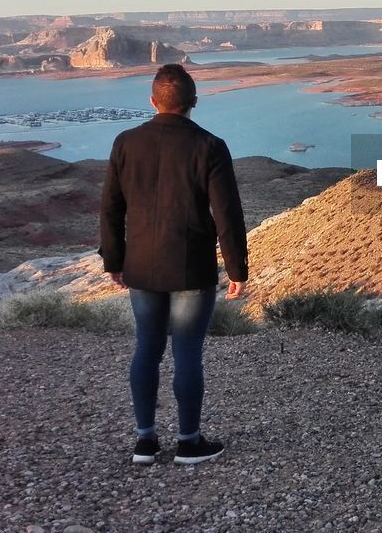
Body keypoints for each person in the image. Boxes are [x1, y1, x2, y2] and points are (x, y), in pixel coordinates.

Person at [99, 64, 249, 465]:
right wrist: (237, 270)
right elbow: (227, 215)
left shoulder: (125, 142)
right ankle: (188, 441)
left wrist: (114, 260)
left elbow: (110, 209)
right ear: (193, 103)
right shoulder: (210, 146)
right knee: (186, 353)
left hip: (142, 268)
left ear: (152, 102)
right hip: (191, 268)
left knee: (146, 348)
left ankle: (145, 442)